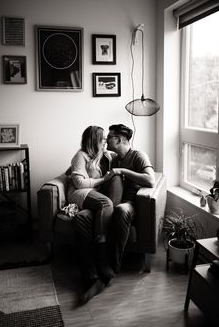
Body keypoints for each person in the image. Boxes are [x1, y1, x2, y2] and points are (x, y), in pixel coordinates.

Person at [67, 125, 123, 304]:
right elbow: (79, 183)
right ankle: (103, 260)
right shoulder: (80, 156)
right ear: (94, 141)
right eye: (102, 139)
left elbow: (124, 154)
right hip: (80, 194)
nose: (105, 141)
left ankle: (90, 277)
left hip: (94, 197)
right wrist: (103, 179)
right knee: (106, 203)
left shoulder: (103, 156)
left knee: (82, 218)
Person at [107, 124, 155, 273]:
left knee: (121, 210)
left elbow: (150, 180)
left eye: (109, 137)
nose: (106, 140)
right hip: (114, 199)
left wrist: (123, 171)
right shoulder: (113, 159)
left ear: (119, 140)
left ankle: (113, 266)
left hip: (131, 203)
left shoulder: (138, 155)